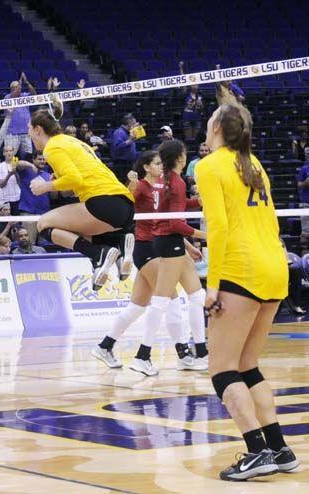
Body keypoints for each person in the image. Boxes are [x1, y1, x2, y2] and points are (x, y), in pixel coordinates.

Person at [197, 94, 298, 480]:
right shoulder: (253, 163)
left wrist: (213, 284)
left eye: (211, 120)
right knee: (247, 365)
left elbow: (219, 228)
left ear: (218, 129)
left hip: (241, 270)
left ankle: (257, 451)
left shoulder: (210, 166)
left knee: (221, 369)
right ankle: (279, 447)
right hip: (273, 268)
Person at [93, 151, 208, 372]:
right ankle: (179, 354)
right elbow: (125, 206)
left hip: (159, 243)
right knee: (170, 298)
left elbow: (169, 218)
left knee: (137, 307)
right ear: (146, 167)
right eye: (156, 164)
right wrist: (131, 185)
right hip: (146, 247)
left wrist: (188, 244)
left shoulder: (162, 187)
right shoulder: (143, 186)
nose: (160, 167)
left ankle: (104, 346)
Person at [28, 96, 136, 291]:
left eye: (29, 130)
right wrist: (58, 182)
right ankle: (117, 247)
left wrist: (44, 186)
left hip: (103, 203)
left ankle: (98, 254)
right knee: (73, 229)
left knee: (43, 224)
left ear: (37, 129)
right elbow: (75, 182)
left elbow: (74, 179)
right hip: (125, 206)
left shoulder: (51, 148)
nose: (29, 134)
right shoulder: (72, 141)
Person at [129, 140, 207, 376]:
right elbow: (175, 222)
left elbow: (175, 207)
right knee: (162, 300)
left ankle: (200, 353)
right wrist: (204, 235)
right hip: (168, 240)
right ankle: (142, 356)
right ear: (181, 158)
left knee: (196, 295)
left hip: (165, 240)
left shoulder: (165, 181)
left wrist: (196, 203)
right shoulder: (176, 181)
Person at [15, 151, 52, 244]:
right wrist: (31, 166)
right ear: (33, 160)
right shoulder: (26, 171)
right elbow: (18, 164)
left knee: (45, 244)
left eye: (44, 159)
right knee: (29, 243)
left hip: (44, 215)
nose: (42, 161)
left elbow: (53, 194)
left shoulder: (47, 175)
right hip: (29, 214)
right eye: (39, 159)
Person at [4, 73, 36, 155]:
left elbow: (34, 94)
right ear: (11, 89)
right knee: (10, 155)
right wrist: (20, 84)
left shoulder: (24, 95)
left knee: (29, 155)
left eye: (17, 87)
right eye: (14, 87)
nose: (17, 89)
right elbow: (14, 95)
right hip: (12, 134)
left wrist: (27, 82)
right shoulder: (7, 97)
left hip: (26, 132)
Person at [0, 146, 21, 215]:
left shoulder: (19, 165)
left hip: (16, 198)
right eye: (7, 151)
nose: (9, 153)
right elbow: (1, 185)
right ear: (3, 153)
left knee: (16, 222)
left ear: (13, 152)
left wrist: (15, 173)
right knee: (4, 222)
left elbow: (20, 183)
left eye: (11, 151)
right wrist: (9, 174)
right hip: (4, 199)